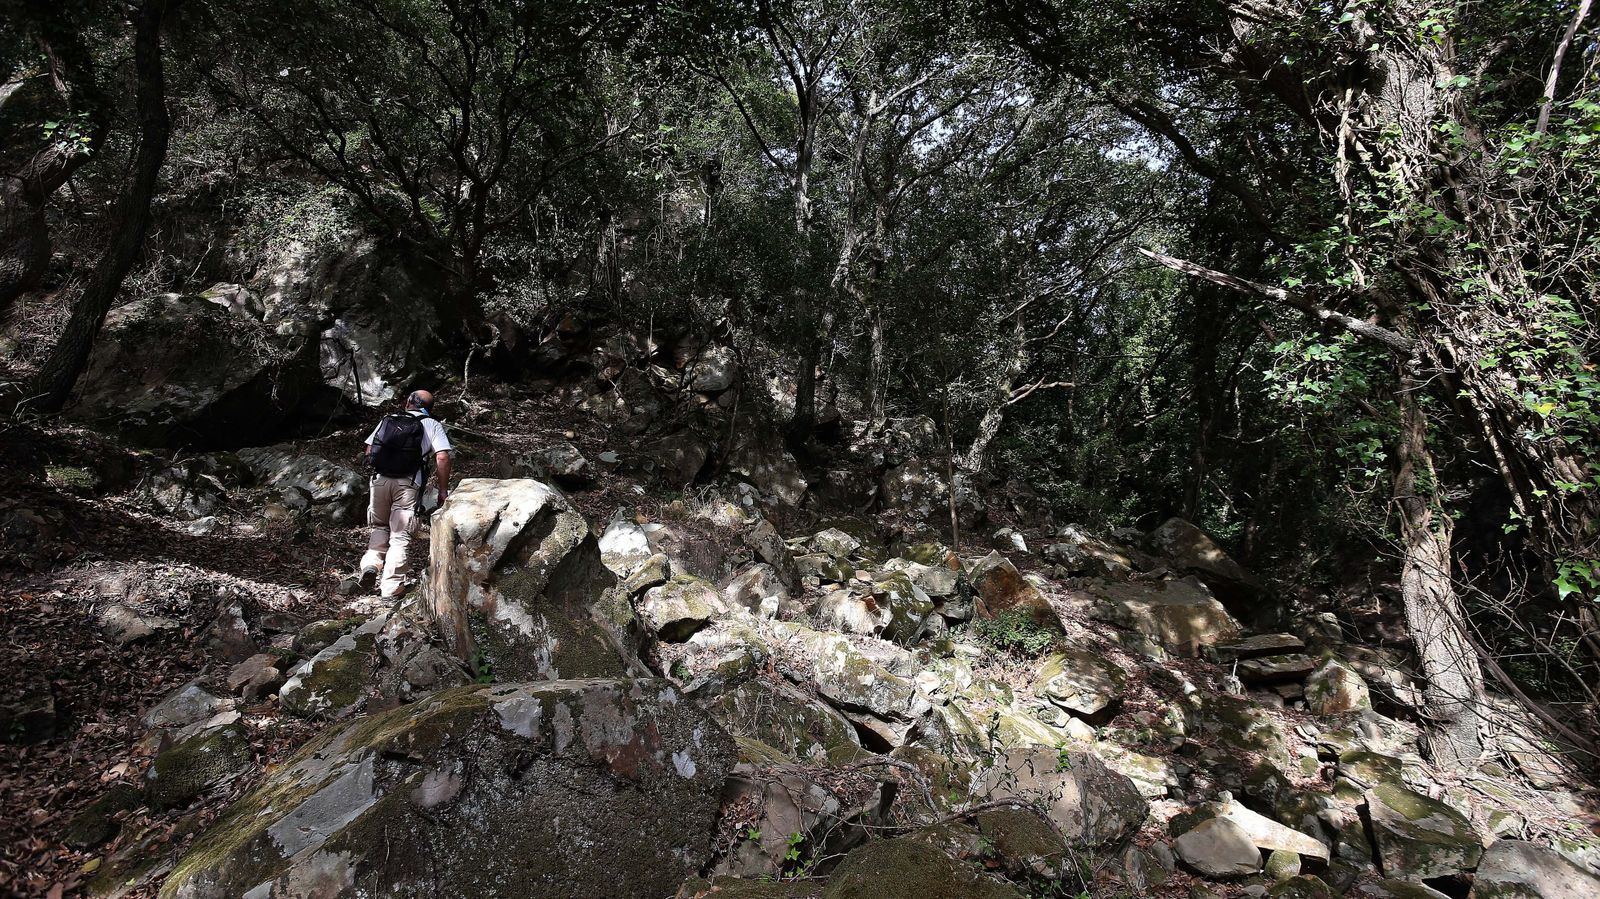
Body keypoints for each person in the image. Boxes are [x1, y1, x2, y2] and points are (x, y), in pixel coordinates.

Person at [358, 389, 452, 597]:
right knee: (400, 536)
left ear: (409, 401)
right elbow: (442, 457)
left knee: (379, 526)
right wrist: (443, 490)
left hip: (379, 481)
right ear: (429, 408)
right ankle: (391, 589)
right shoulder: (432, 425)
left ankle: (371, 564)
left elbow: (369, 450)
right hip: (407, 484)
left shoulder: (388, 419)